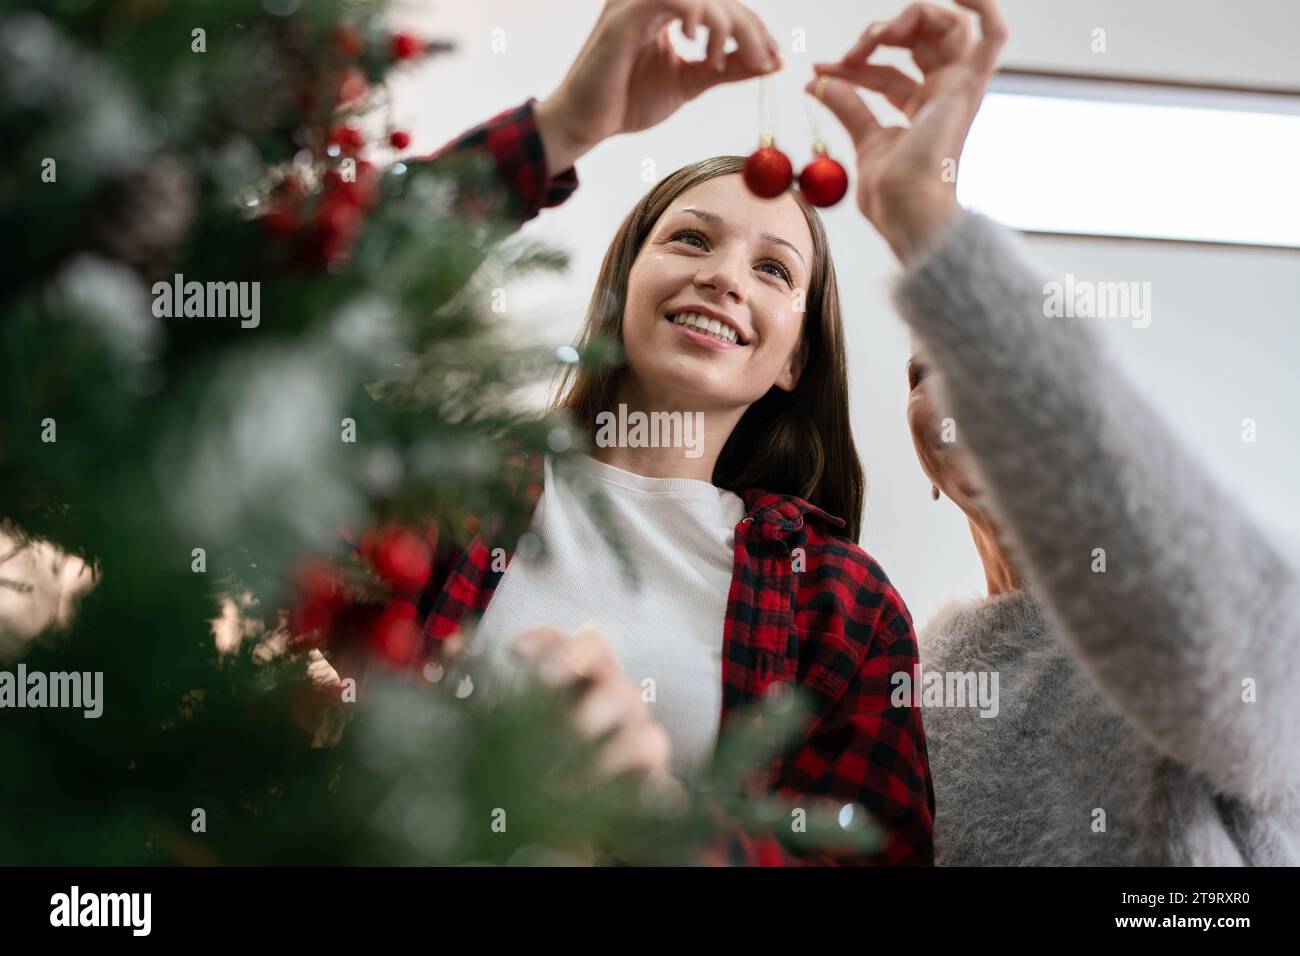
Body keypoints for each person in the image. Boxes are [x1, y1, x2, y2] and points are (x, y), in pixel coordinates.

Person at [395, 0, 937, 865]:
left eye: (771, 269)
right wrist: (564, 125)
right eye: (690, 239)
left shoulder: (845, 607)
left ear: (796, 360)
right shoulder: (441, 484)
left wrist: (651, 818)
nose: (723, 277)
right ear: (622, 288)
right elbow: (302, 308)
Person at [809, 0, 1298, 863]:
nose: (965, 395)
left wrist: (927, 220)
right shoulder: (911, 677)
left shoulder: (1217, 617)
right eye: (924, 369)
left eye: (985, 366)